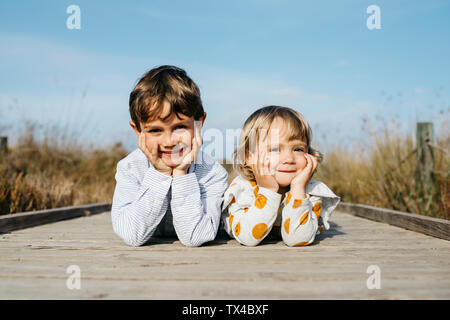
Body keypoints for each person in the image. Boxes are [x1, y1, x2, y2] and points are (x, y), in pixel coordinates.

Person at [111, 65, 228, 247]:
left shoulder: (212, 173)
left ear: (199, 123)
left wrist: (182, 174)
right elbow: (132, 235)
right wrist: (160, 173)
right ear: (138, 130)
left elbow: (195, 237)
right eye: (155, 130)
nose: (168, 141)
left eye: (179, 127)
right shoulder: (130, 168)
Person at [221, 105, 340, 247]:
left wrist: (297, 190)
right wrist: (268, 191)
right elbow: (248, 238)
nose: (289, 158)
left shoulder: (309, 191)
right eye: (275, 149)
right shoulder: (242, 189)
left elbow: (297, 239)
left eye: (298, 149)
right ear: (249, 157)